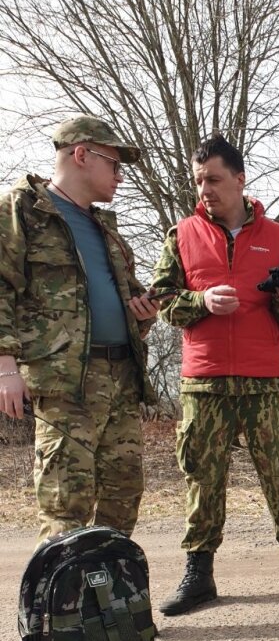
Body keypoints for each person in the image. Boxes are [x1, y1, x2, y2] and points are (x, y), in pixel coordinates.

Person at [152, 134, 279, 615]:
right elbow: (161, 304)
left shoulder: (278, 236)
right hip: (203, 383)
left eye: (214, 179)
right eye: (199, 180)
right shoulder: (180, 235)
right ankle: (199, 575)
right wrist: (199, 302)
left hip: (266, 380)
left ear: (240, 180)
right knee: (202, 479)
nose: (205, 189)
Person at [0, 116, 159, 543]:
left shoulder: (104, 227)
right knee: (65, 503)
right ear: (82, 155)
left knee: (122, 497)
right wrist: (6, 367)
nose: (120, 176)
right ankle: (63, 607)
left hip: (120, 378)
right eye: (114, 163)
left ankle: (109, 605)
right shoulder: (23, 210)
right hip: (66, 384)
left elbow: (122, 295)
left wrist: (140, 315)